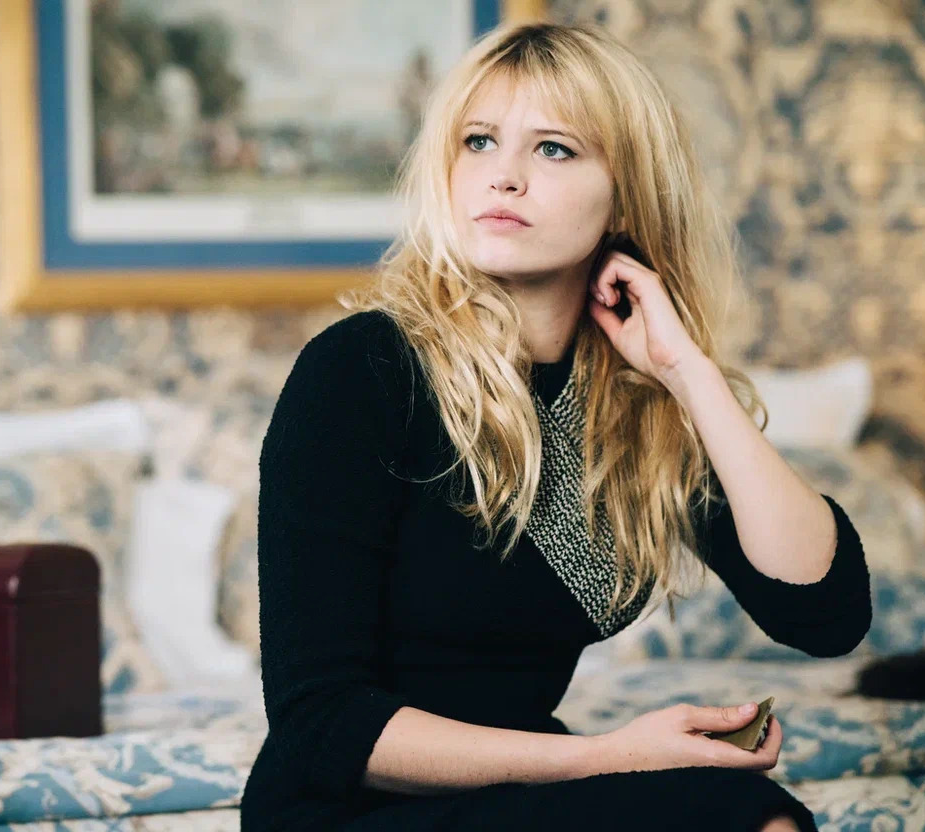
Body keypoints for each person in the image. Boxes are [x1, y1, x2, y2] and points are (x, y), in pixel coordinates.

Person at [240, 20, 872, 832]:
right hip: (340, 812)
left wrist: (687, 372)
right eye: (477, 141)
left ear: (625, 195)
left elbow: (823, 615)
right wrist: (605, 756)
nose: (502, 176)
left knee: (754, 814)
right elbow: (320, 725)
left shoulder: (632, 406)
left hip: (521, 792)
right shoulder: (362, 370)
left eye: (553, 148)